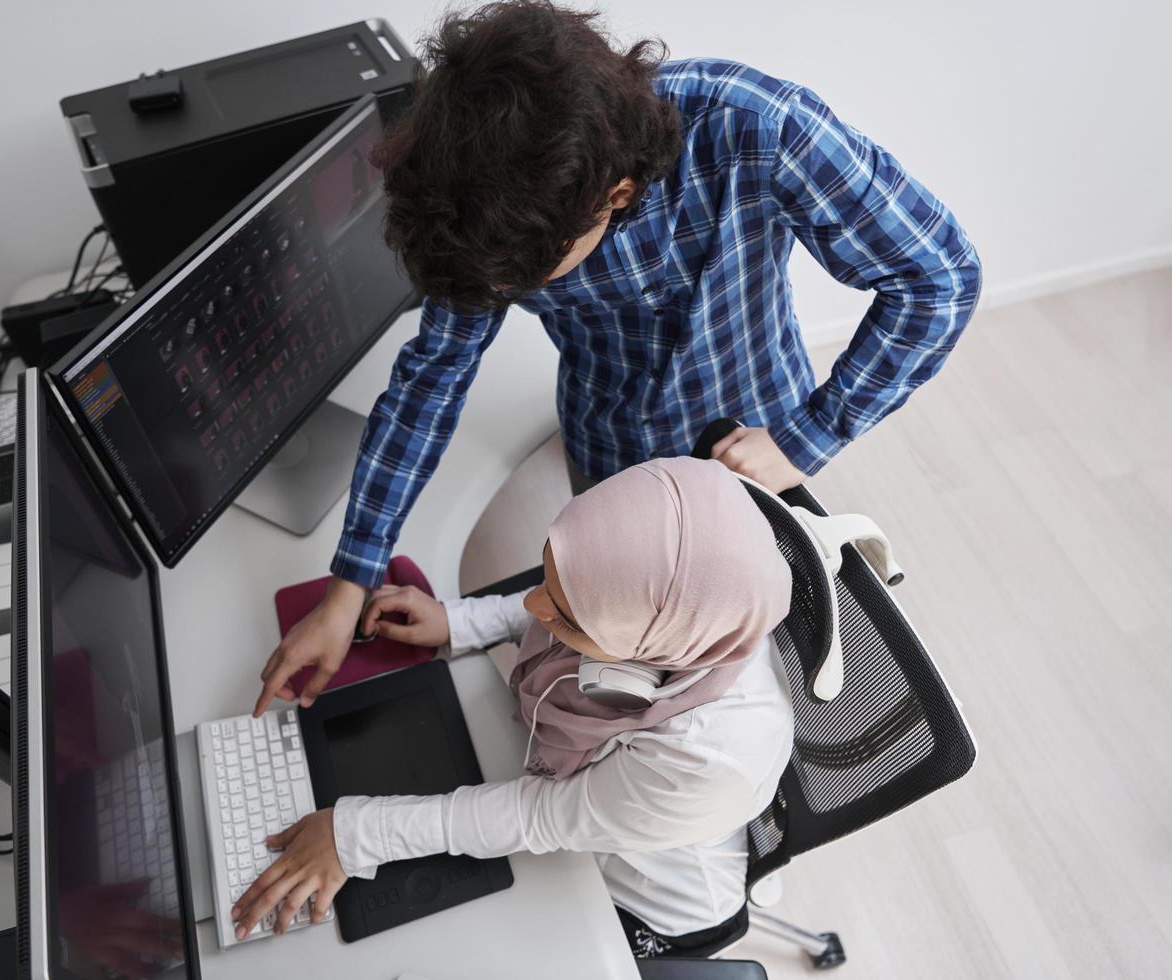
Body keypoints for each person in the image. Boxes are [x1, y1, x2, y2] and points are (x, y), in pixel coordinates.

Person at [252, 0, 981, 718]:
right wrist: (350, 582)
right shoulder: (483, 200)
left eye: (525, 283)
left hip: (755, 458)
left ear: (616, 195)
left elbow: (941, 277)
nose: (502, 297)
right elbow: (431, 380)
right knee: (609, 688)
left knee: (734, 701)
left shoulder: (756, 125)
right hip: (607, 461)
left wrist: (805, 439)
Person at [232, 456, 795, 957]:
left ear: (653, 644)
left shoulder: (710, 754)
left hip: (642, 903)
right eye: (546, 571)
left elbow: (540, 816)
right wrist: (459, 619)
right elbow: (565, 596)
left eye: (568, 618)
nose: (532, 604)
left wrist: (352, 836)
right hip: (577, 806)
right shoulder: (691, 614)